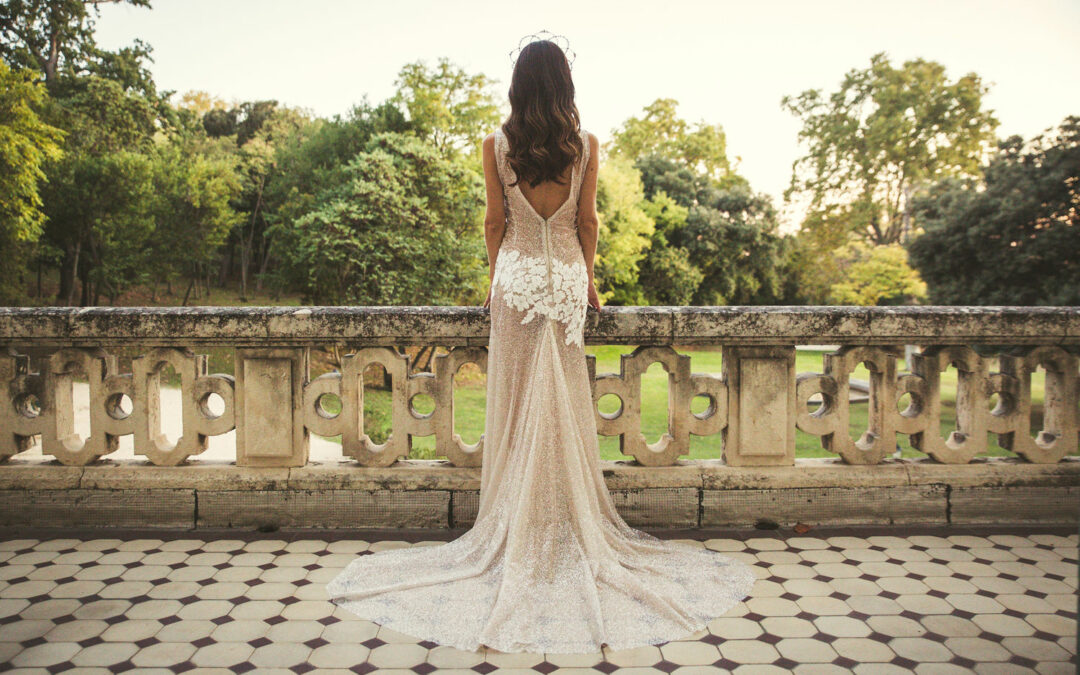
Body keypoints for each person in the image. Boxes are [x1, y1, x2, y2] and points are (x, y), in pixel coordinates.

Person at [326, 31, 756, 655]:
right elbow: (587, 221)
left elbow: (495, 222)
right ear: (565, 87)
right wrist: (590, 280)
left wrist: (491, 278)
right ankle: (564, 528)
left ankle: (517, 530)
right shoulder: (584, 146)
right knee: (562, 402)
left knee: (517, 398)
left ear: (518, 86)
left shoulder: (495, 145)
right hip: (565, 287)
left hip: (516, 284)